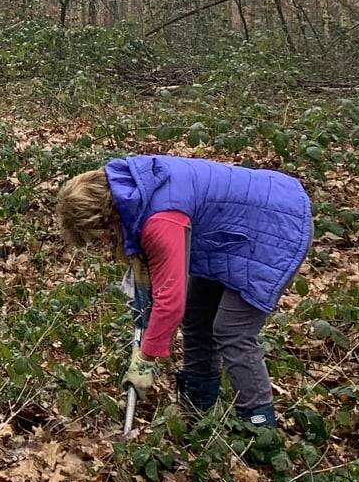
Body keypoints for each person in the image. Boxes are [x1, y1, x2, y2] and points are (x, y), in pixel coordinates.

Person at [56, 155, 312, 428]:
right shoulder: (131, 191)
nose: (105, 244)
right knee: (197, 317)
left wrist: (145, 360)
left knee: (232, 331)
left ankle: (260, 428)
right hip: (227, 232)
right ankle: (196, 415)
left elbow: (169, 301)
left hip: (275, 227)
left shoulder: (160, 219)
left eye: (99, 237)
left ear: (103, 218)